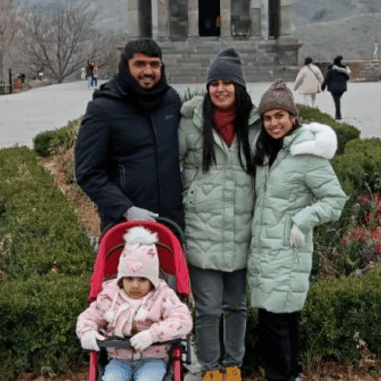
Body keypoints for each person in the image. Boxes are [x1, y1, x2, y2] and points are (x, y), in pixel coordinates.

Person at [248, 80, 347, 381]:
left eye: (280, 116)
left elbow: (335, 200)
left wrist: (302, 220)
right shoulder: (268, 153)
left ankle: (282, 376)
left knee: (275, 323)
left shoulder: (307, 154)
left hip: (288, 250)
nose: (273, 123)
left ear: (293, 117)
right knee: (284, 320)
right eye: (267, 117)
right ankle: (292, 375)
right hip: (266, 252)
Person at [178, 48, 260, 381]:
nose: (221, 89)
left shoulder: (254, 124)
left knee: (237, 306)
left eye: (228, 83)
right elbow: (172, 164)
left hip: (241, 227)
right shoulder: (190, 121)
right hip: (202, 227)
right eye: (215, 83)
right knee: (209, 308)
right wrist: (190, 192)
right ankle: (210, 368)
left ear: (239, 88)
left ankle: (233, 365)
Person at [75, 39, 184, 232]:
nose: (148, 71)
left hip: (170, 223)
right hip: (125, 226)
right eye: (140, 64)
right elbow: (88, 171)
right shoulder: (103, 109)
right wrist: (125, 209)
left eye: (154, 64)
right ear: (125, 66)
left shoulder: (171, 101)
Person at [77, 226, 193, 381]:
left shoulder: (163, 295)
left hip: (153, 360)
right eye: (129, 279)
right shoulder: (111, 296)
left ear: (152, 280)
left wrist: (153, 334)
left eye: (142, 279)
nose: (135, 285)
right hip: (119, 359)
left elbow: (182, 320)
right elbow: (89, 317)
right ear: (121, 279)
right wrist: (87, 332)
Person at [321, 56, 351, 120]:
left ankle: (338, 115)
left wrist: (323, 87)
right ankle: (338, 114)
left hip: (333, 88)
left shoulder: (330, 70)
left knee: (336, 101)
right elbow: (347, 78)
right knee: (337, 100)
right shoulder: (343, 70)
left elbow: (326, 79)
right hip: (342, 88)